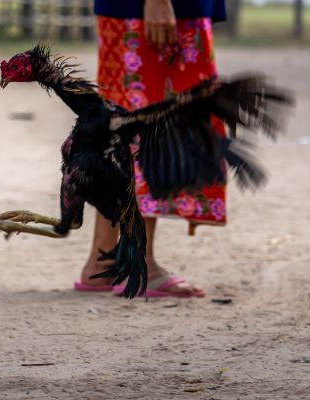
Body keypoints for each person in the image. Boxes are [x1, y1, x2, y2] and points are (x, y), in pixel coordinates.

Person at [74, 0, 228, 298]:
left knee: (124, 122)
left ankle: (103, 261)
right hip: (152, 10)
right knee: (152, 122)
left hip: (133, 11)